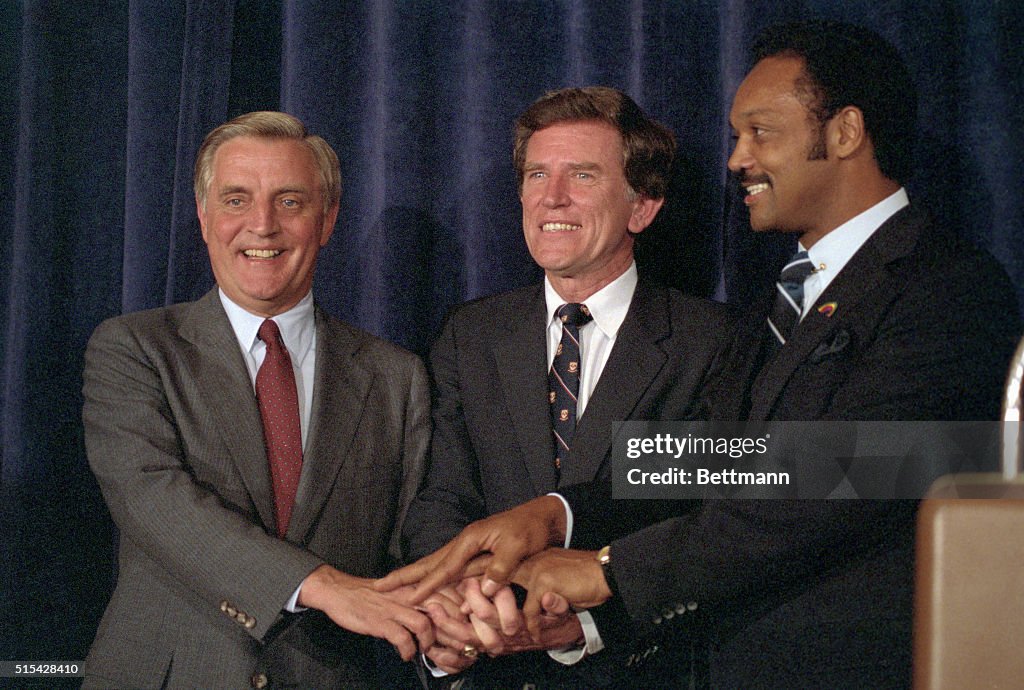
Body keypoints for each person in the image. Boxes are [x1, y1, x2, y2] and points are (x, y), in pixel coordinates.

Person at [381, 21, 1022, 688]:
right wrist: (559, 515)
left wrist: (606, 573)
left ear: (844, 133)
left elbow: (855, 469)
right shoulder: (781, 301)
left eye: (761, 132)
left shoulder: (946, 285)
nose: (737, 159)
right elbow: (716, 461)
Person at [82, 111, 434, 688]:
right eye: (236, 200)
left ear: (327, 220)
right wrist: (321, 584)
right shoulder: (134, 349)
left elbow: (410, 548)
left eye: (290, 202)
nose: (262, 225)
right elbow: (154, 500)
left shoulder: (397, 378)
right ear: (202, 216)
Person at [399, 86, 737, 688]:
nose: (551, 198)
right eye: (536, 175)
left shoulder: (713, 341)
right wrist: (462, 607)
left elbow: (711, 515)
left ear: (643, 206)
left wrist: (592, 622)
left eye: (582, 175)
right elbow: (440, 498)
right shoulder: (469, 335)